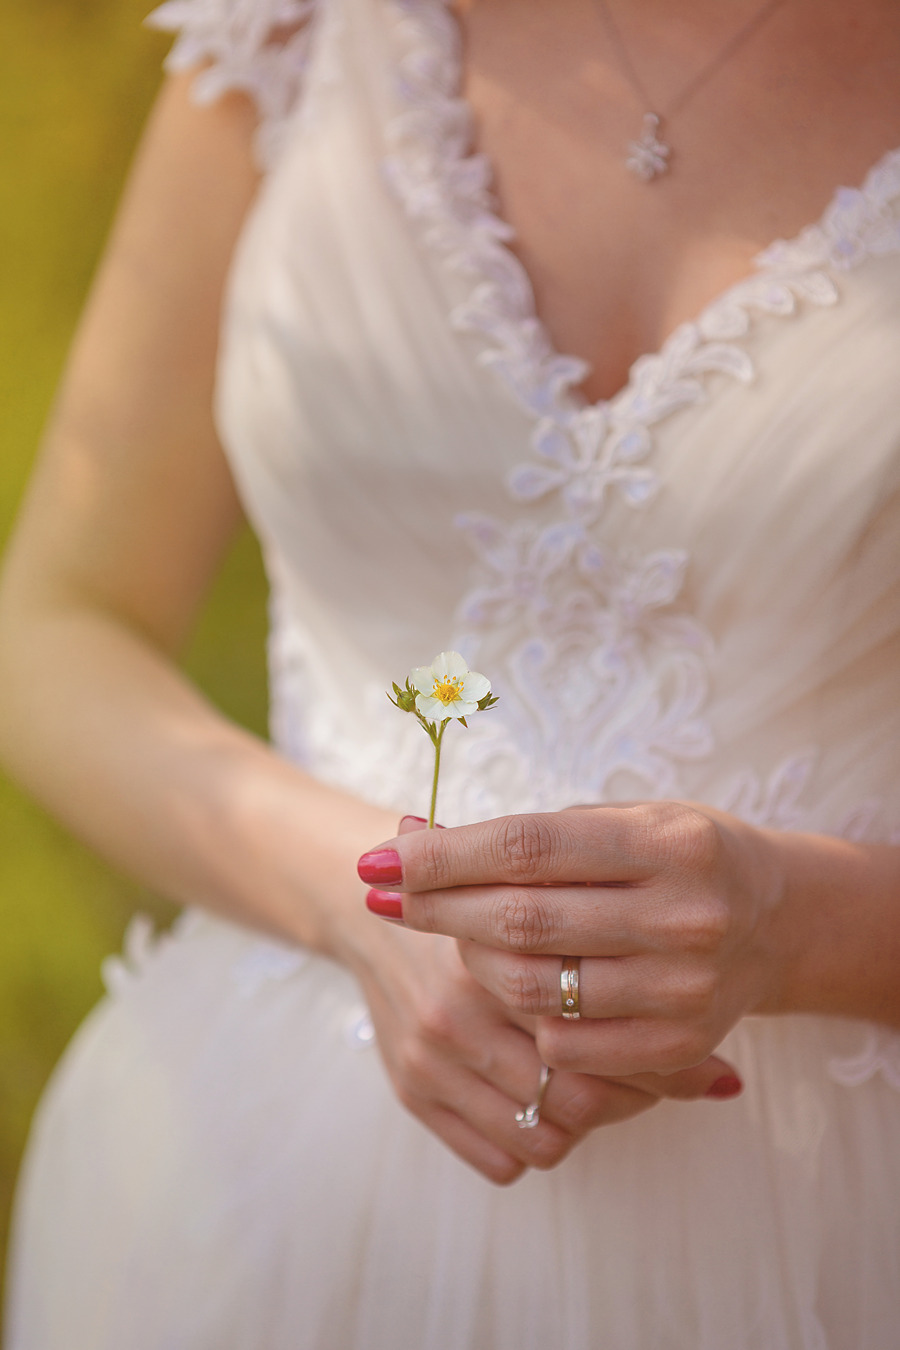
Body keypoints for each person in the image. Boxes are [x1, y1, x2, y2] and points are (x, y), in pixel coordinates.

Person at [1, 0, 898, 1344]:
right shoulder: (302, 27)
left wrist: (792, 920)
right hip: (245, 1207)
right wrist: (356, 897)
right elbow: (57, 625)